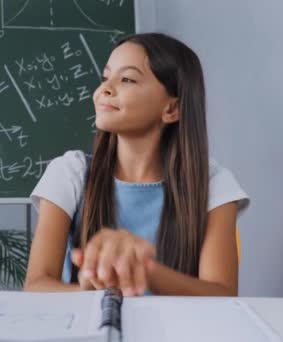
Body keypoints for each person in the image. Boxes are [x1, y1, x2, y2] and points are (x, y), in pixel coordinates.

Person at [24, 32, 249, 297]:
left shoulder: (213, 184)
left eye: (127, 79)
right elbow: (36, 286)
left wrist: (144, 270)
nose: (105, 89)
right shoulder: (70, 172)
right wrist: (91, 290)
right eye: (105, 78)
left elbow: (222, 295)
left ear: (172, 109)